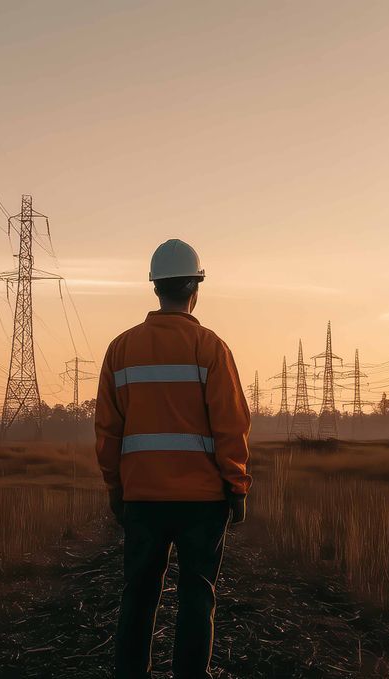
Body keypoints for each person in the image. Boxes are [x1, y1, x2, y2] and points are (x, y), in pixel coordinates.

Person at [94, 239, 252, 679]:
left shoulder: (121, 350)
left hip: (143, 499)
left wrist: (115, 487)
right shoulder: (210, 348)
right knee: (198, 595)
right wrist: (236, 486)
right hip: (203, 503)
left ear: (156, 288)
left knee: (139, 594)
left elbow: (107, 430)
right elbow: (231, 426)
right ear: (194, 288)